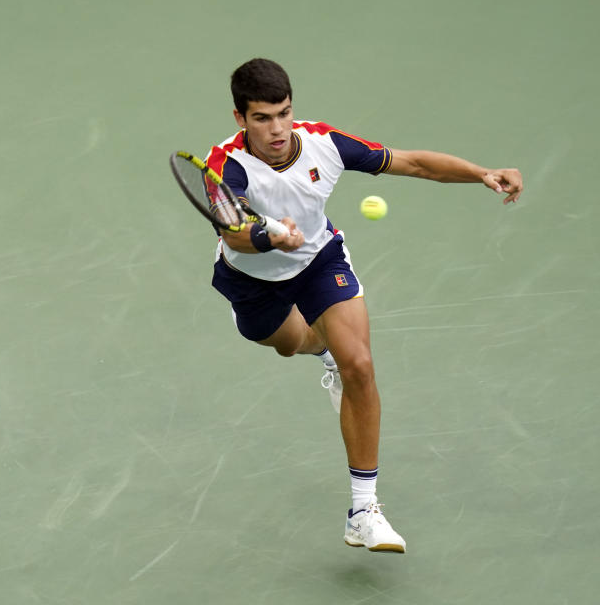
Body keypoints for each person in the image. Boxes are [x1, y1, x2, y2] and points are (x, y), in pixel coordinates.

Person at [205, 58, 523, 553]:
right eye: (263, 118)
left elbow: (411, 162)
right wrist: (268, 235)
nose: (277, 128)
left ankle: (363, 510)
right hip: (253, 281)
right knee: (291, 344)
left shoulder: (323, 144)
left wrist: (483, 173)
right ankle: (319, 347)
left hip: (317, 262)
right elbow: (234, 234)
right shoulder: (223, 166)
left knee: (359, 365)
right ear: (239, 118)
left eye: (284, 113)